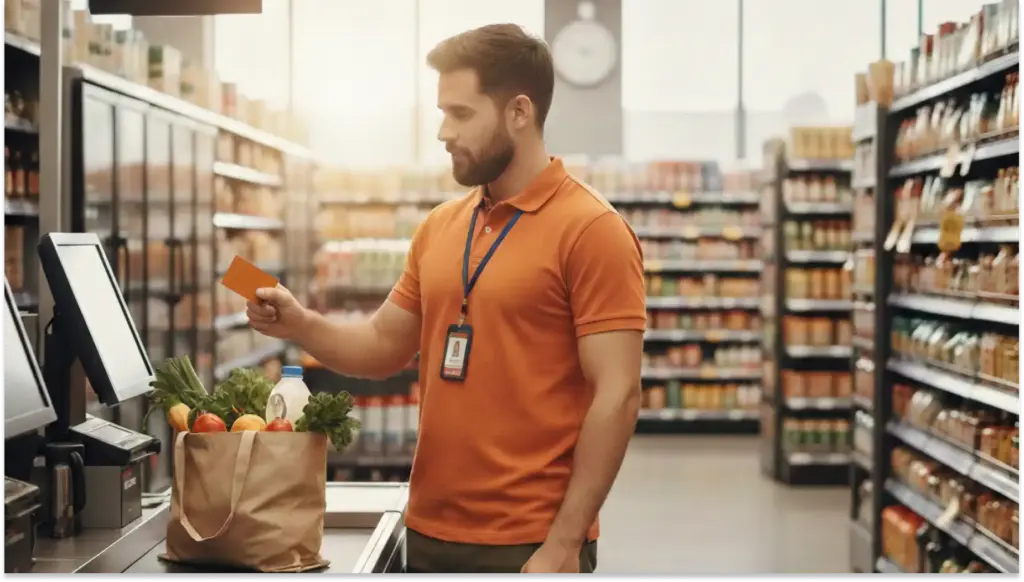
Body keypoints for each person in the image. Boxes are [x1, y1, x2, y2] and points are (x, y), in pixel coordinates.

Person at [246, 23, 645, 575]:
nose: (441, 132)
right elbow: (384, 345)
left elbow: (618, 394)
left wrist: (564, 544)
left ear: (519, 113)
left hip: (529, 545)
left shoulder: (592, 230)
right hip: (428, 532)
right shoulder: (441, 227)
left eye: (459, 114)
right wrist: (301, 323)